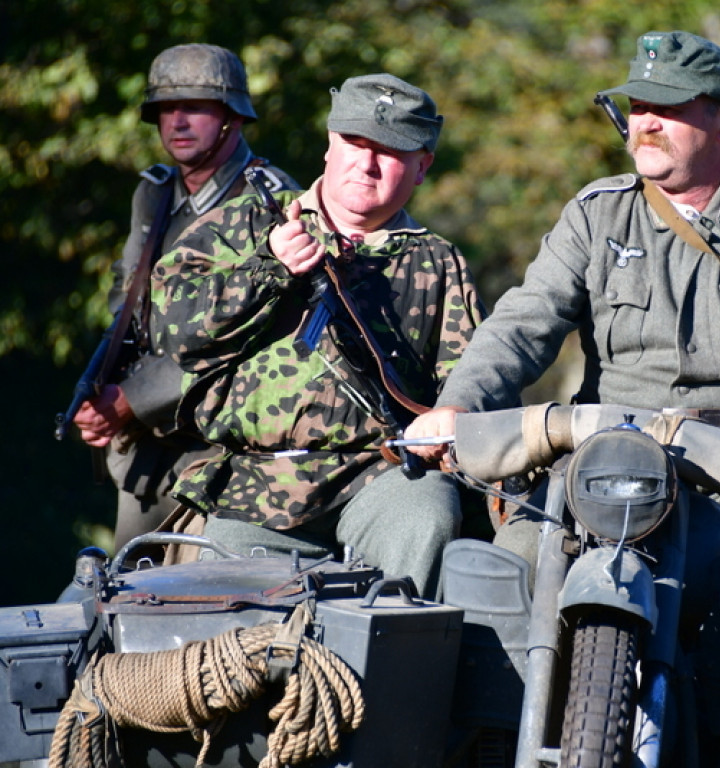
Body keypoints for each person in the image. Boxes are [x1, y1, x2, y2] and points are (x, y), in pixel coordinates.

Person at [405, 30, 720, 765]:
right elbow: (522, 325)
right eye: (636, 106)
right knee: (516, 556)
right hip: (612, 456)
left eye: (668, 107)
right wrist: (460, 405)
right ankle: (496, 740)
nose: (646, 123)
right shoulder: (596, 216)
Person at [150, 73, 486, 602]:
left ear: (423, 167)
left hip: (383, 474)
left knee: (428, 515)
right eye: (354, 143)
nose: (366, 163)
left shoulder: (438, 263)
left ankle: (395, 672)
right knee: (230, 613)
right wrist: (267, 269)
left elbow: (472, 380)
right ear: (329, 145)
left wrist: (454, 420)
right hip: (253, 482)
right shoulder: (246, 224)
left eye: (391, 151)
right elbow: (172, 329)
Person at [71, 43, 300, 552]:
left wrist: (133, 398)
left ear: (233, 118)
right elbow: (127, 297)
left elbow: (255, 334)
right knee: (130, 587)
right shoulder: (154, 193)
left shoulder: (267, 201)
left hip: (229, 444)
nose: (176, 120)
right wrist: (109, 386)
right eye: (165, 109)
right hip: (153, 441)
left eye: (195, 106)